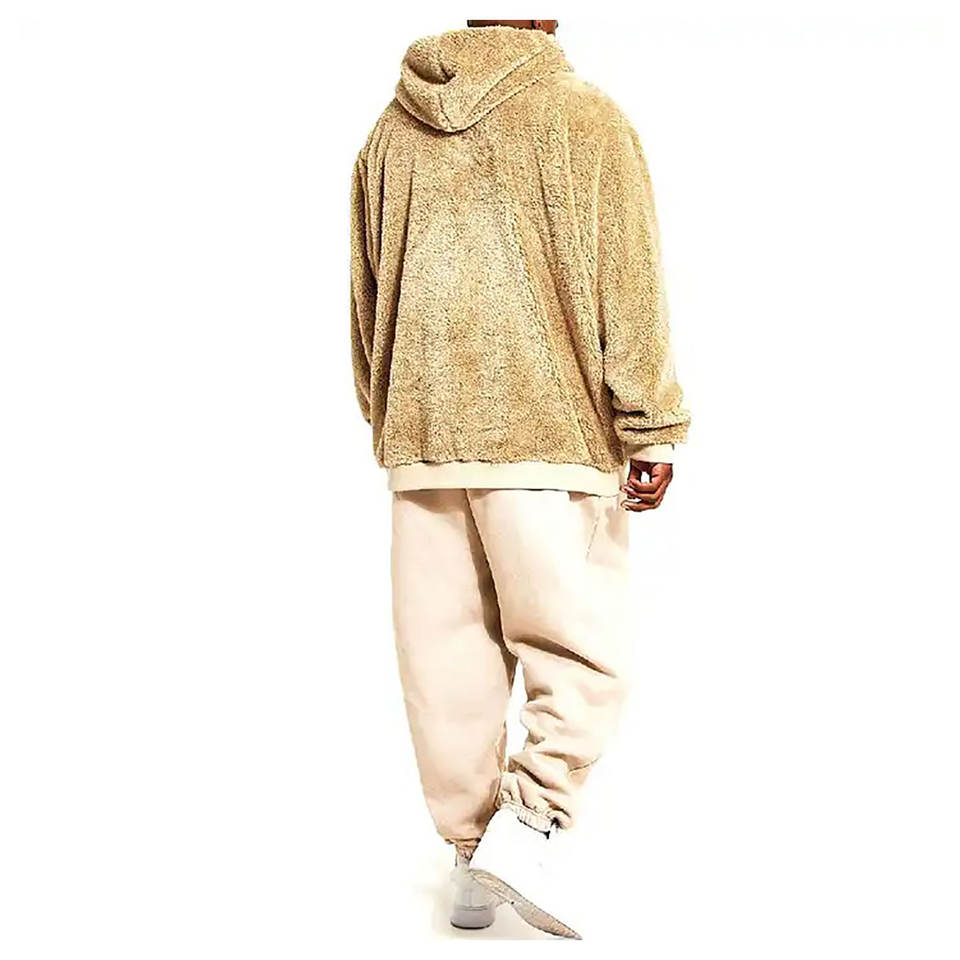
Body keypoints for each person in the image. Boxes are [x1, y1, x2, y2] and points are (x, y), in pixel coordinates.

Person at [349, 18, 689, 939]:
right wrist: (651, 422)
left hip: (424, 432)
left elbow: (365, 291)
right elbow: (630, 286)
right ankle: (528, 828)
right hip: (548, 428)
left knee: (445, 658)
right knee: (576, 647)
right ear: (542, 18)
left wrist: (391, 413)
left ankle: (471, 857)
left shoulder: (391, 129)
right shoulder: (584, 118)